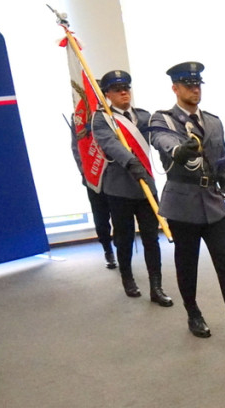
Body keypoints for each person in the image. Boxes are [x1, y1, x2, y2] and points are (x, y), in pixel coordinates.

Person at [150, 62, 225, 346]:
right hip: (182, 204)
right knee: (187, 265)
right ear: (175, 88)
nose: (194, 89)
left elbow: (223, 164)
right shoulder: (163, 119)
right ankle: (193, 313)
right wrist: (179, 149)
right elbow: (162, 141)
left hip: (213, 203)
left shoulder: (213, 121)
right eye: (188, 85)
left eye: (197, 84)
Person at [91, 70, 171, 305]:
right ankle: (127, 278)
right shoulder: (101, 119)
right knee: (124, 238)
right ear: (107, 94)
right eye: (117, 89)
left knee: (150, 238)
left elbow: (158, 138)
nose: (124, 92)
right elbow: (110, 145)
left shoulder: (144, 116)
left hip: (146, 187)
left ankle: (156, 287)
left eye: (126, 88)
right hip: (119, 189)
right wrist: (131, 162)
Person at [70, 118, 114, 270]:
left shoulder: (109, 113)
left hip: (115, 175)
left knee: (120, 216)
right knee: (101, 217)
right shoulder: (79, 116)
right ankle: (108, 250)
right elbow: (76, 148)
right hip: (92, 175)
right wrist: (85, 171)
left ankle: (121, 250)